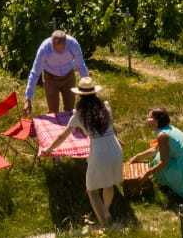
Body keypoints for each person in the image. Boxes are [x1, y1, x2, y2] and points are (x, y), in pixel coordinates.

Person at [40, 77, 123, 229]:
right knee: (109, 184)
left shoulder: (78, 116)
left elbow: (62, 136)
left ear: (80, 95)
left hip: (99, 152)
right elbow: (112, 127)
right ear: (95, 94)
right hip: (115, 148)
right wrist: (118, 139)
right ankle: (106, 211)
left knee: (92, 191)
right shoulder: (106, 107)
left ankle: (104, 225)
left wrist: (48, 150)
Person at [24, 30, 89, 115]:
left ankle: (69, 123)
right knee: (53, 112)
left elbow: (80, 66)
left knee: (70, 110)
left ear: (66, 42)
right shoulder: (44, 48)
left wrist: (88, 86)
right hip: (50, 78)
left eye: (62, 49)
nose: (59, 52)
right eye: (56, 49)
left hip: (68, 76)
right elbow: (35, 72)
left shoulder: (73, 44)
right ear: (52, 43)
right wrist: (28, 99)